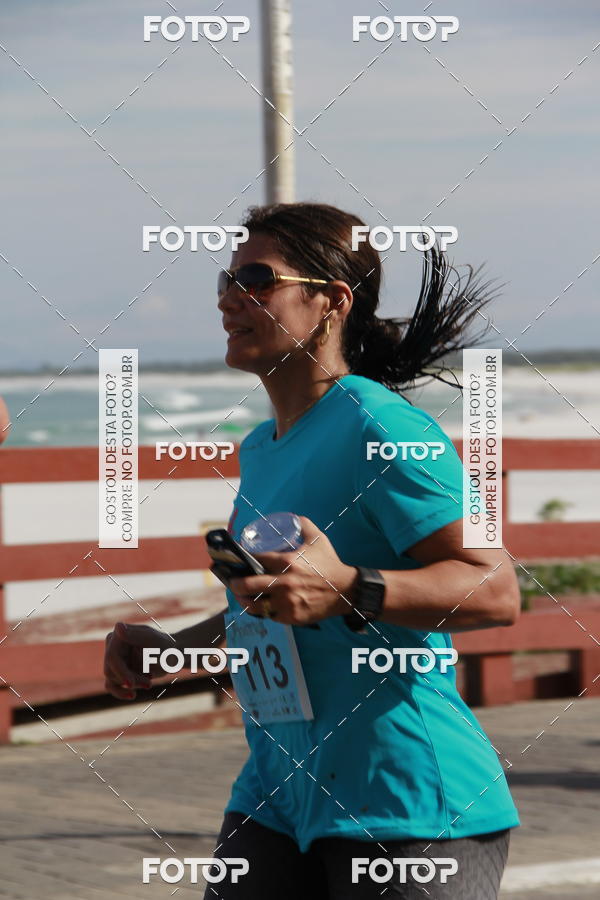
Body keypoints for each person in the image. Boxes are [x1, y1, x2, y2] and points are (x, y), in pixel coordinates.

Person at [104, 202, 520, 899]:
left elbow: (498, 588)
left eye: (258, 280)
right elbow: (279, 611)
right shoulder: (262, 449)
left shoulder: (381, 426)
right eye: (226, 280)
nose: (231, 299)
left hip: (405, 803)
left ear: (330, 302)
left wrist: (355, 586)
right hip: (277, 796)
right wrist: (174, 651)